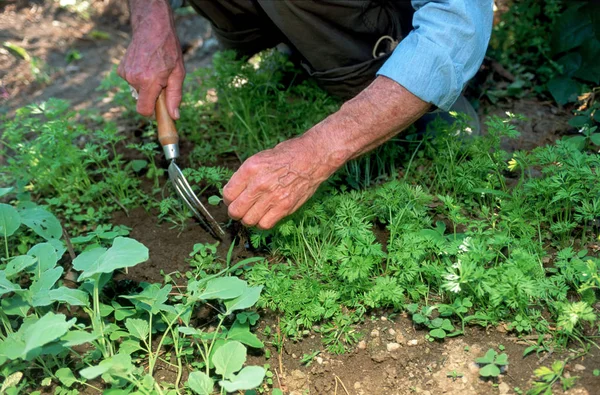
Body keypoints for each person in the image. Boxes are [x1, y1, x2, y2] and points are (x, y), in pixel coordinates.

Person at [118, 0, 493, 230]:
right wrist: (151, 20)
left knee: (450, 134)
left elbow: (455, 27)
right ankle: (300, 48)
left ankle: (391, 77)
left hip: (391, 18)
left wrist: (317, 152)